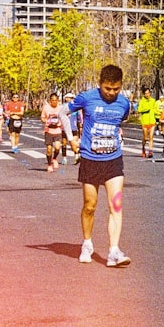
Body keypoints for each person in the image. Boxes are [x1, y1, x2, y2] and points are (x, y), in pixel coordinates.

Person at [61, 64, 133, 268]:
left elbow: (122, 121)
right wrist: (71, 138)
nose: (111, 93)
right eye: (107, 89)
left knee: (116, 205)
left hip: (113, 160)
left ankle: (114, 251)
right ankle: (87, 243)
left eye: (116, 89)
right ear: (100, 83)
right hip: (90, 160)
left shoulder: (124, 103)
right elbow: (62, 113)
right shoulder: (87, 97)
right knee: (90, 206)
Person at [41, 92, 65, 172]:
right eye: (52, 100)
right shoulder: (46, 108)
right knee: (49, 149)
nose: (54, 102)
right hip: (49, 131)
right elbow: (42, 117)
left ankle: (54, 158)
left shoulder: (61, 108)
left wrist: (60, 122)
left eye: (56, 100)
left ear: (58, 100)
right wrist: (46, 121)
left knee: (57, 147)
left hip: (58, 130)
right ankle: (49, 165)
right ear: (50, 101)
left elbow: (65, 118)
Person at [136, 88, 159, 159]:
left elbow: (155, 110)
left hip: (152, 121)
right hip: (144, 122)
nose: (147, 94)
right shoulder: (141, 101)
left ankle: (150, 151)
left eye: (148, 93)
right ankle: (143, 148)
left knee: (151, 137)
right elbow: (139, 110)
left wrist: (160, 115)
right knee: (145, 138)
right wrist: (146, 110)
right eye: (146, 93)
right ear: (144, 94)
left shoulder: (153, 101)